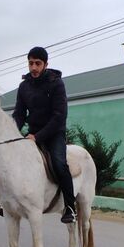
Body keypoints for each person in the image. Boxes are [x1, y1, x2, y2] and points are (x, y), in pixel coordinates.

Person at [12, 46, 77, 224]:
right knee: (14, 161)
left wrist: (37, 137)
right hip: (32, 133)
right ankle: (12, 201)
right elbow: (19, 113)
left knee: (59, 163)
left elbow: (59, 116)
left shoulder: (56, 83)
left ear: (46, 64)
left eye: (38, 63)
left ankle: (70, 207)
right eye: (31, 63)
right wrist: (13, 132)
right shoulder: (23, 86)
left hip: (54, 133)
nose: (33, 68)